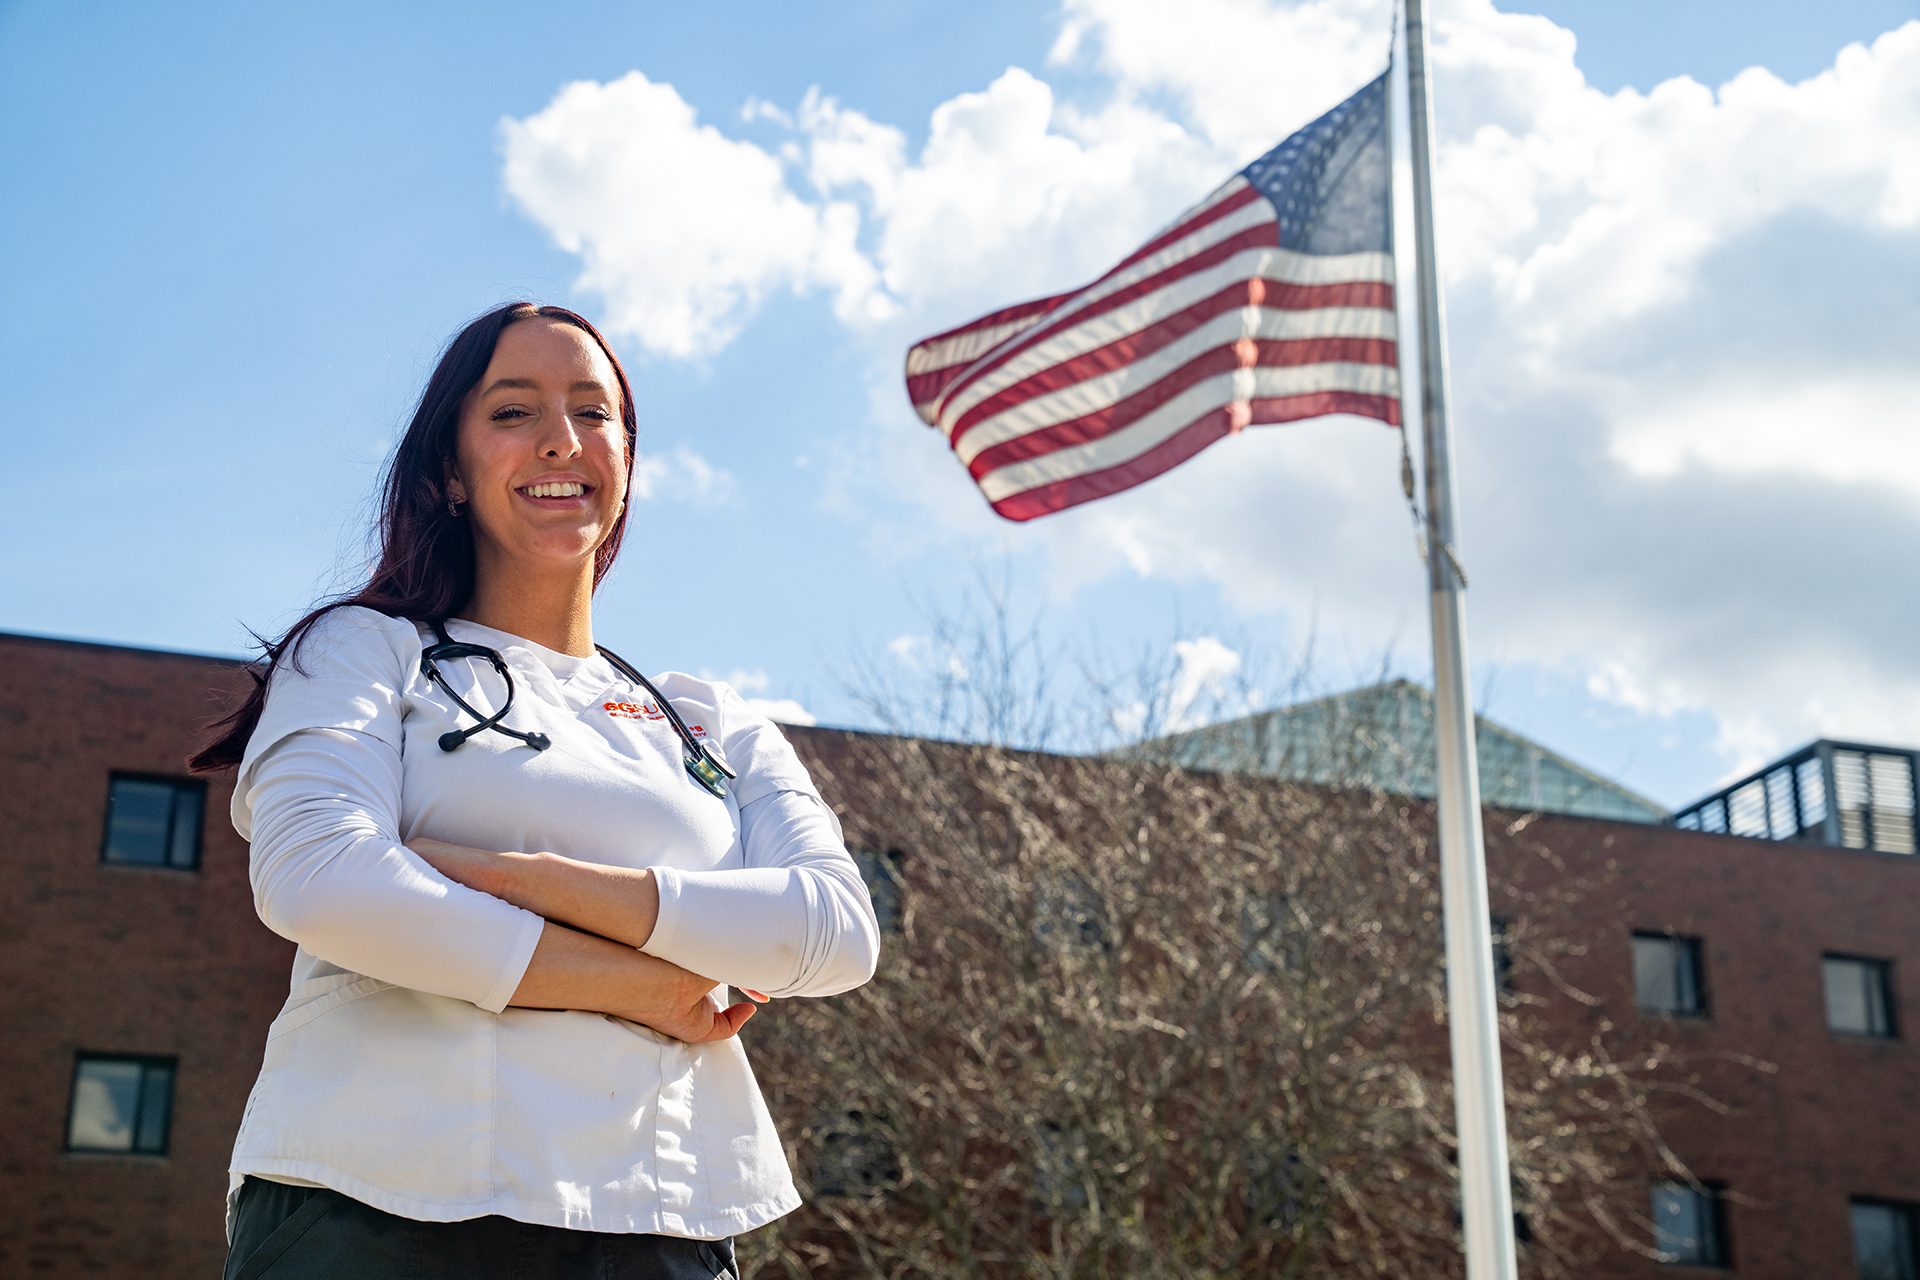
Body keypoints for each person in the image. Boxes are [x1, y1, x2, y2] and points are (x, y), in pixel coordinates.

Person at [190, 301, 882, 1279]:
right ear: (448, 470)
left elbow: (835, 932)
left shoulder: (706, 719)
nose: (562, 438)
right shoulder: (362, 651)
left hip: (658, 1219)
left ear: (627, 460)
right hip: (372, 1208)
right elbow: (321, 880)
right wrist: (648, 984)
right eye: (514, 412)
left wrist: (515, 874)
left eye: (593, 412)